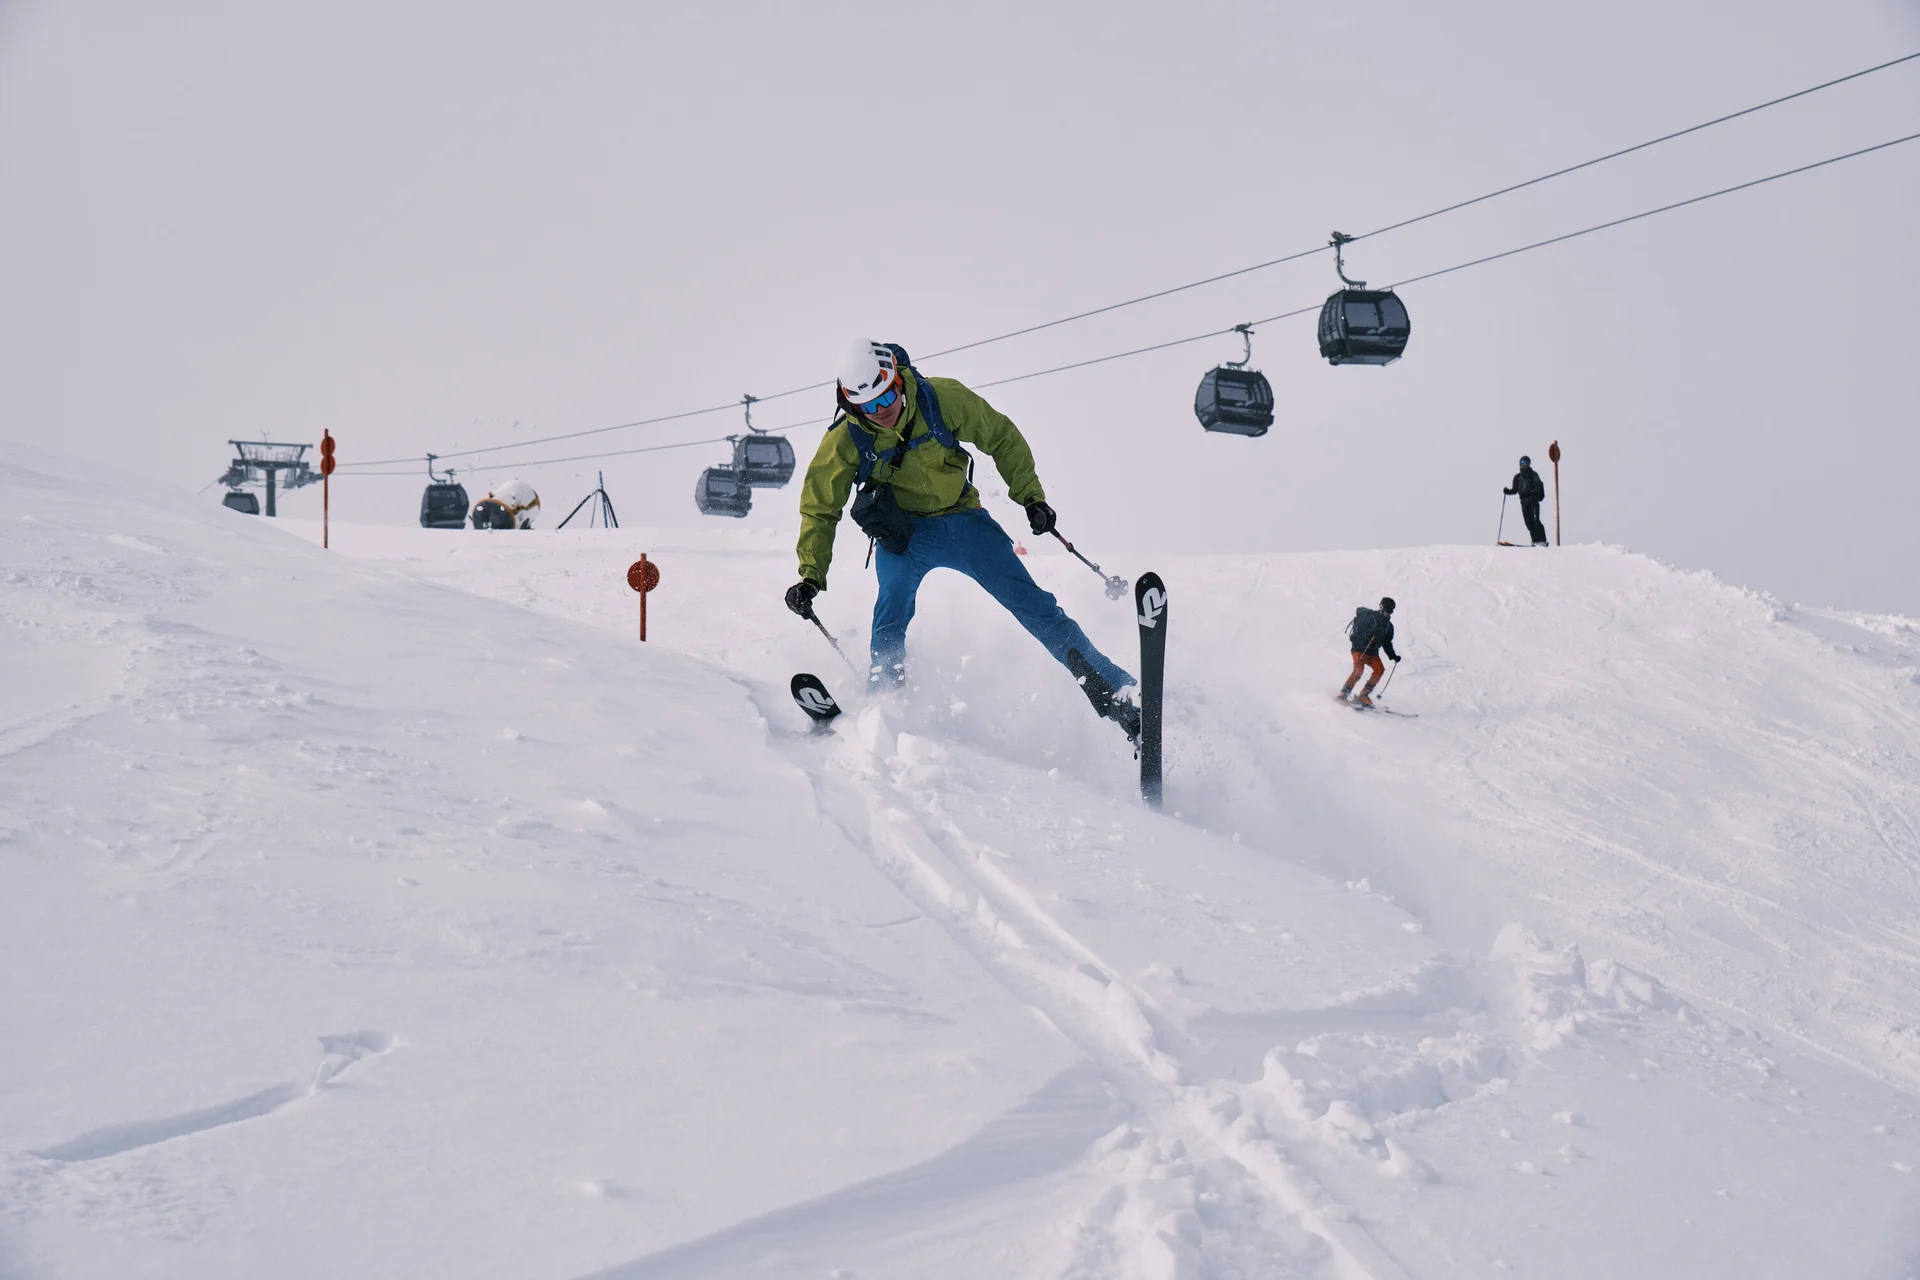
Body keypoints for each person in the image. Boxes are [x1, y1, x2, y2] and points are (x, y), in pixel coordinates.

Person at [783, 339, 1139, 740]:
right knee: (890, 613)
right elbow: (819, 507)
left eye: (884, 398)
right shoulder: (846, 439)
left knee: (1036, 607)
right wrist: (810, 575)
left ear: (896, 380)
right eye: (866, 407)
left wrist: (1031, 497)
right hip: (904, 536)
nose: (880, 411)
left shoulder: (943, 398)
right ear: (850, 404)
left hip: (963, 522)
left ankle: (1118, 695)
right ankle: (884, 709)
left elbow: (1002, 437)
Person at [1338, 597, 1401, 708]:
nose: (1388, 614)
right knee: (1359, 670)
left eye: (1391, 612)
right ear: (1381, 608)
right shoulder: (1371, 617)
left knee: (1379, 670)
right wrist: (1365, 638)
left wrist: (1393, 656)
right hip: (1359, 649)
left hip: (1372, 652)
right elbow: (1358, 632)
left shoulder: (1389, 626)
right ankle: (1344, 693)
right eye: (1387, 611)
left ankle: (1363, 695)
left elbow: (1387, 643)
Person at [1503, 455, 1549, 546]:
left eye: (1526, 463)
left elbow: (1539, 485)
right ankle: (1535, 540)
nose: (1524, 465)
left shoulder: (1533, 474)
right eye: (1522, 463)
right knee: (1528, 523)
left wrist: (1535, 493)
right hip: (1523, 502)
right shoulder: (1518, 477)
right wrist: (1507, 491)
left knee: (1536, 520)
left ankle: (1542, 540)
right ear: (1519, 464)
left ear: (1529, 464)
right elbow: (1514, 490)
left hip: (1533, 501)